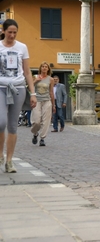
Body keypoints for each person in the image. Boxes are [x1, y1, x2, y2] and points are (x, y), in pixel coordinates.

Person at [0, 19, 37, 173]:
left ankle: (9, 161)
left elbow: (27, 72)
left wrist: (33, 93)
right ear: (3, 31)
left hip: (18, 88)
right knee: (1, 123)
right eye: (10, 32)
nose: (12, 35)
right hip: (1, 87)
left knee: (13, 126)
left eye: (15, 32)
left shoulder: (22, 47)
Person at [31, 61, 55, 146]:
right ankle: (35, 133)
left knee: (46, 121)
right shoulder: (35, 77)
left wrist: (53, 105)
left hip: (47, 101)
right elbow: (29, 87)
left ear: (48, 69)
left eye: (46, 67)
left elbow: (51, 92)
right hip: (37, 100)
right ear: (40, 68)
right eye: (43, 66)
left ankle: (42, 138)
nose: (44, 68)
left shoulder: (51, 79)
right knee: (36, 121)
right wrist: (36, 81)